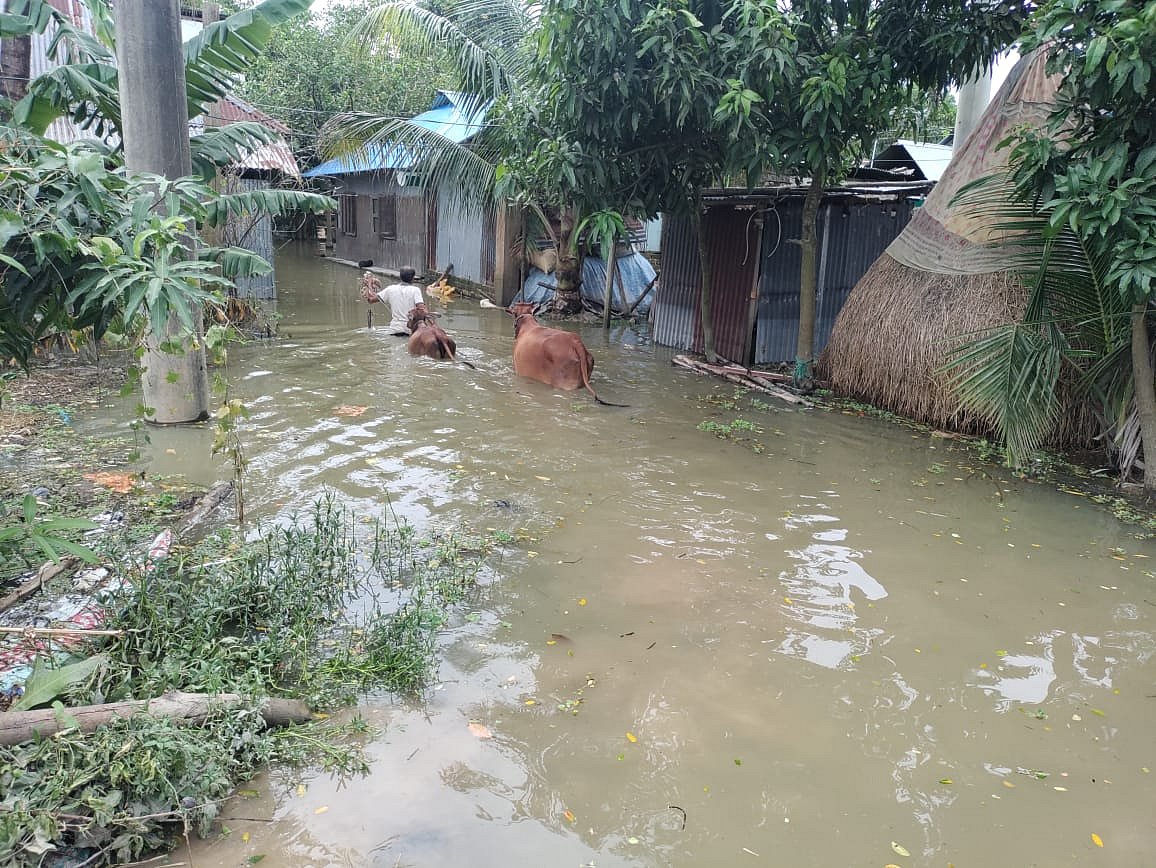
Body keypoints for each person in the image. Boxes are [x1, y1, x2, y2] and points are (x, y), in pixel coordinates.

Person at [367, 266, 427, 335]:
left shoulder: (390, 289)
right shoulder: (415, 290)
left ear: (400, 277)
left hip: (395, 329)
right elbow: (421, 309)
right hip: (410, 330)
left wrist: (369, 283)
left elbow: (371, 300)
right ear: (413, 278)